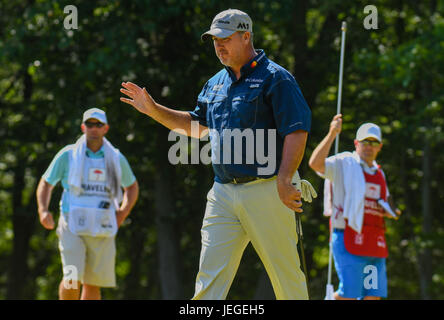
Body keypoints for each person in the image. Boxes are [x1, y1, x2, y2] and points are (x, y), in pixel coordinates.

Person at [120, 9, 315, 299]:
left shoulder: (277, 78)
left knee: (285, 277)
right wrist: (153, 110)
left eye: (225, 38)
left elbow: (296, 130)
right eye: (214, 39)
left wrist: (286, 178)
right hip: (222, 193)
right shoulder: (215, 83)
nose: (218, 45)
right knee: (208, 279)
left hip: (268, 189)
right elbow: (197, 126)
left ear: (246, 36)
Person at [36, 108, 139, 300]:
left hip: (103, 224)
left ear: (105, 128)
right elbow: (46, 182)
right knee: (71, 276)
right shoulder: (67, 155)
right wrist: (43, 210)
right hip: (72, 224)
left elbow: (132, 186)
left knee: (93, 283)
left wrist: (122, 213)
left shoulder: (116, 158)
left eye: (98, 125)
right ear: (83, 127)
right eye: (90, 124)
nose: (94, 129)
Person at [309, 114, 401, 300]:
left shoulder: (379, 173)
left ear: (380, 146)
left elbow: (385, 202)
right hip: (348, 238)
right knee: (348, 295)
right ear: (356, 143)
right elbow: (315, 164)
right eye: (365, 142)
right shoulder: (344, 163)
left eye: (374, 143)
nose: (369, 146)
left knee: (373, 295)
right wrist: (332, 134)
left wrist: (391, 212)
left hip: (374, 242)